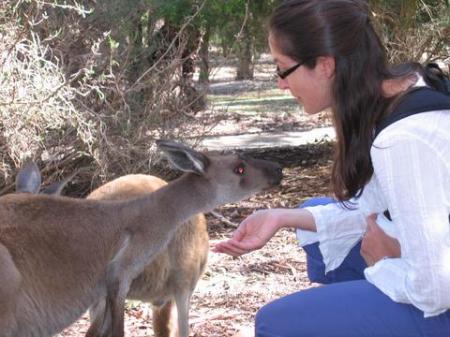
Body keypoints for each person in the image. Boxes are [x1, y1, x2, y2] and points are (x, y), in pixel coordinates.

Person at [213, 0, 450, 336]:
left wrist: (387, 263)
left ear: (325, 65)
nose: (281, 83)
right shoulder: (401, 89)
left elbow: (436, 287)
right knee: (313, 222)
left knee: (276, 324)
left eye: (283, 68)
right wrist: (280, 216)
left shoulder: (402, 141)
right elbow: (371, 209)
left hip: (439, 298)